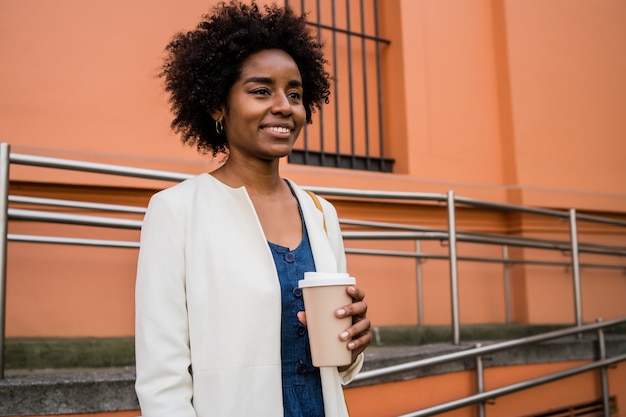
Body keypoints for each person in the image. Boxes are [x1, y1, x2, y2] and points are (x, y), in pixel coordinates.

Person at [134, 1, 372, 416]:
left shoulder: (320, 213)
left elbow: (337, 365)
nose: (284, 106)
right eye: (261, 91)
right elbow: (162, 377)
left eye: (294, 94)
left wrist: (352, 343)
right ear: (217, 106)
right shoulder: (177, 211)